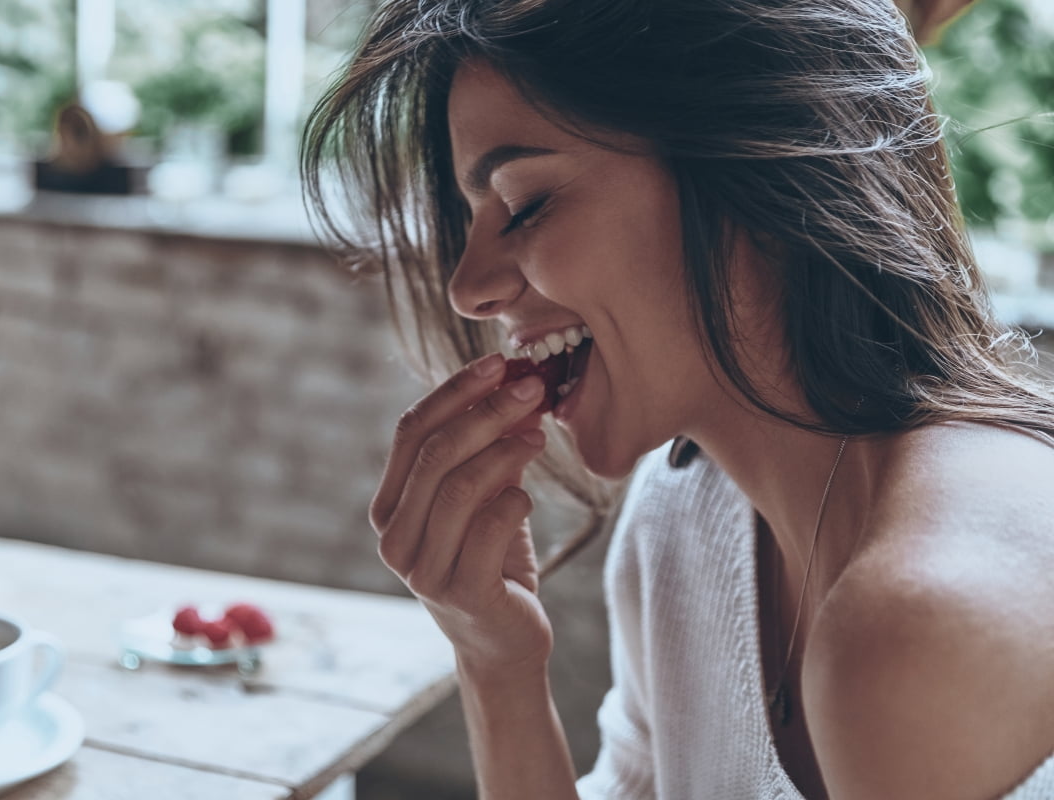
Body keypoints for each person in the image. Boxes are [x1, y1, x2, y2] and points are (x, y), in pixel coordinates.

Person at [302, 0, 1054, 797]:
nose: (469, 288)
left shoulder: (918, 626)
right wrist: (496, 665)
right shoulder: (681, 509)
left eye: (523, 204)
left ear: (760, 174)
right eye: (469, 218)